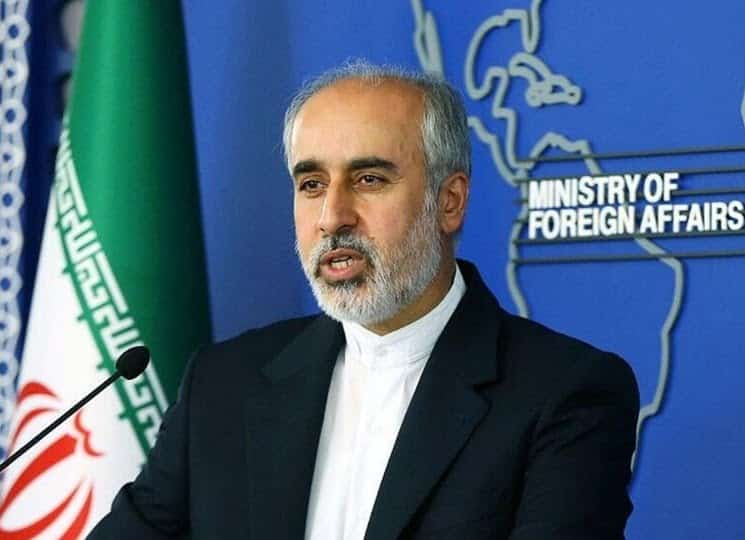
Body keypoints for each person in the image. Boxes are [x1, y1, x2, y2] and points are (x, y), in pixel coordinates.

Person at [88, 61, 639, 539]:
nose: (332, 217)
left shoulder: (564, 393)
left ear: (449, 202)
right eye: (311, 184)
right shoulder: (223, 384)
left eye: (369, 179)